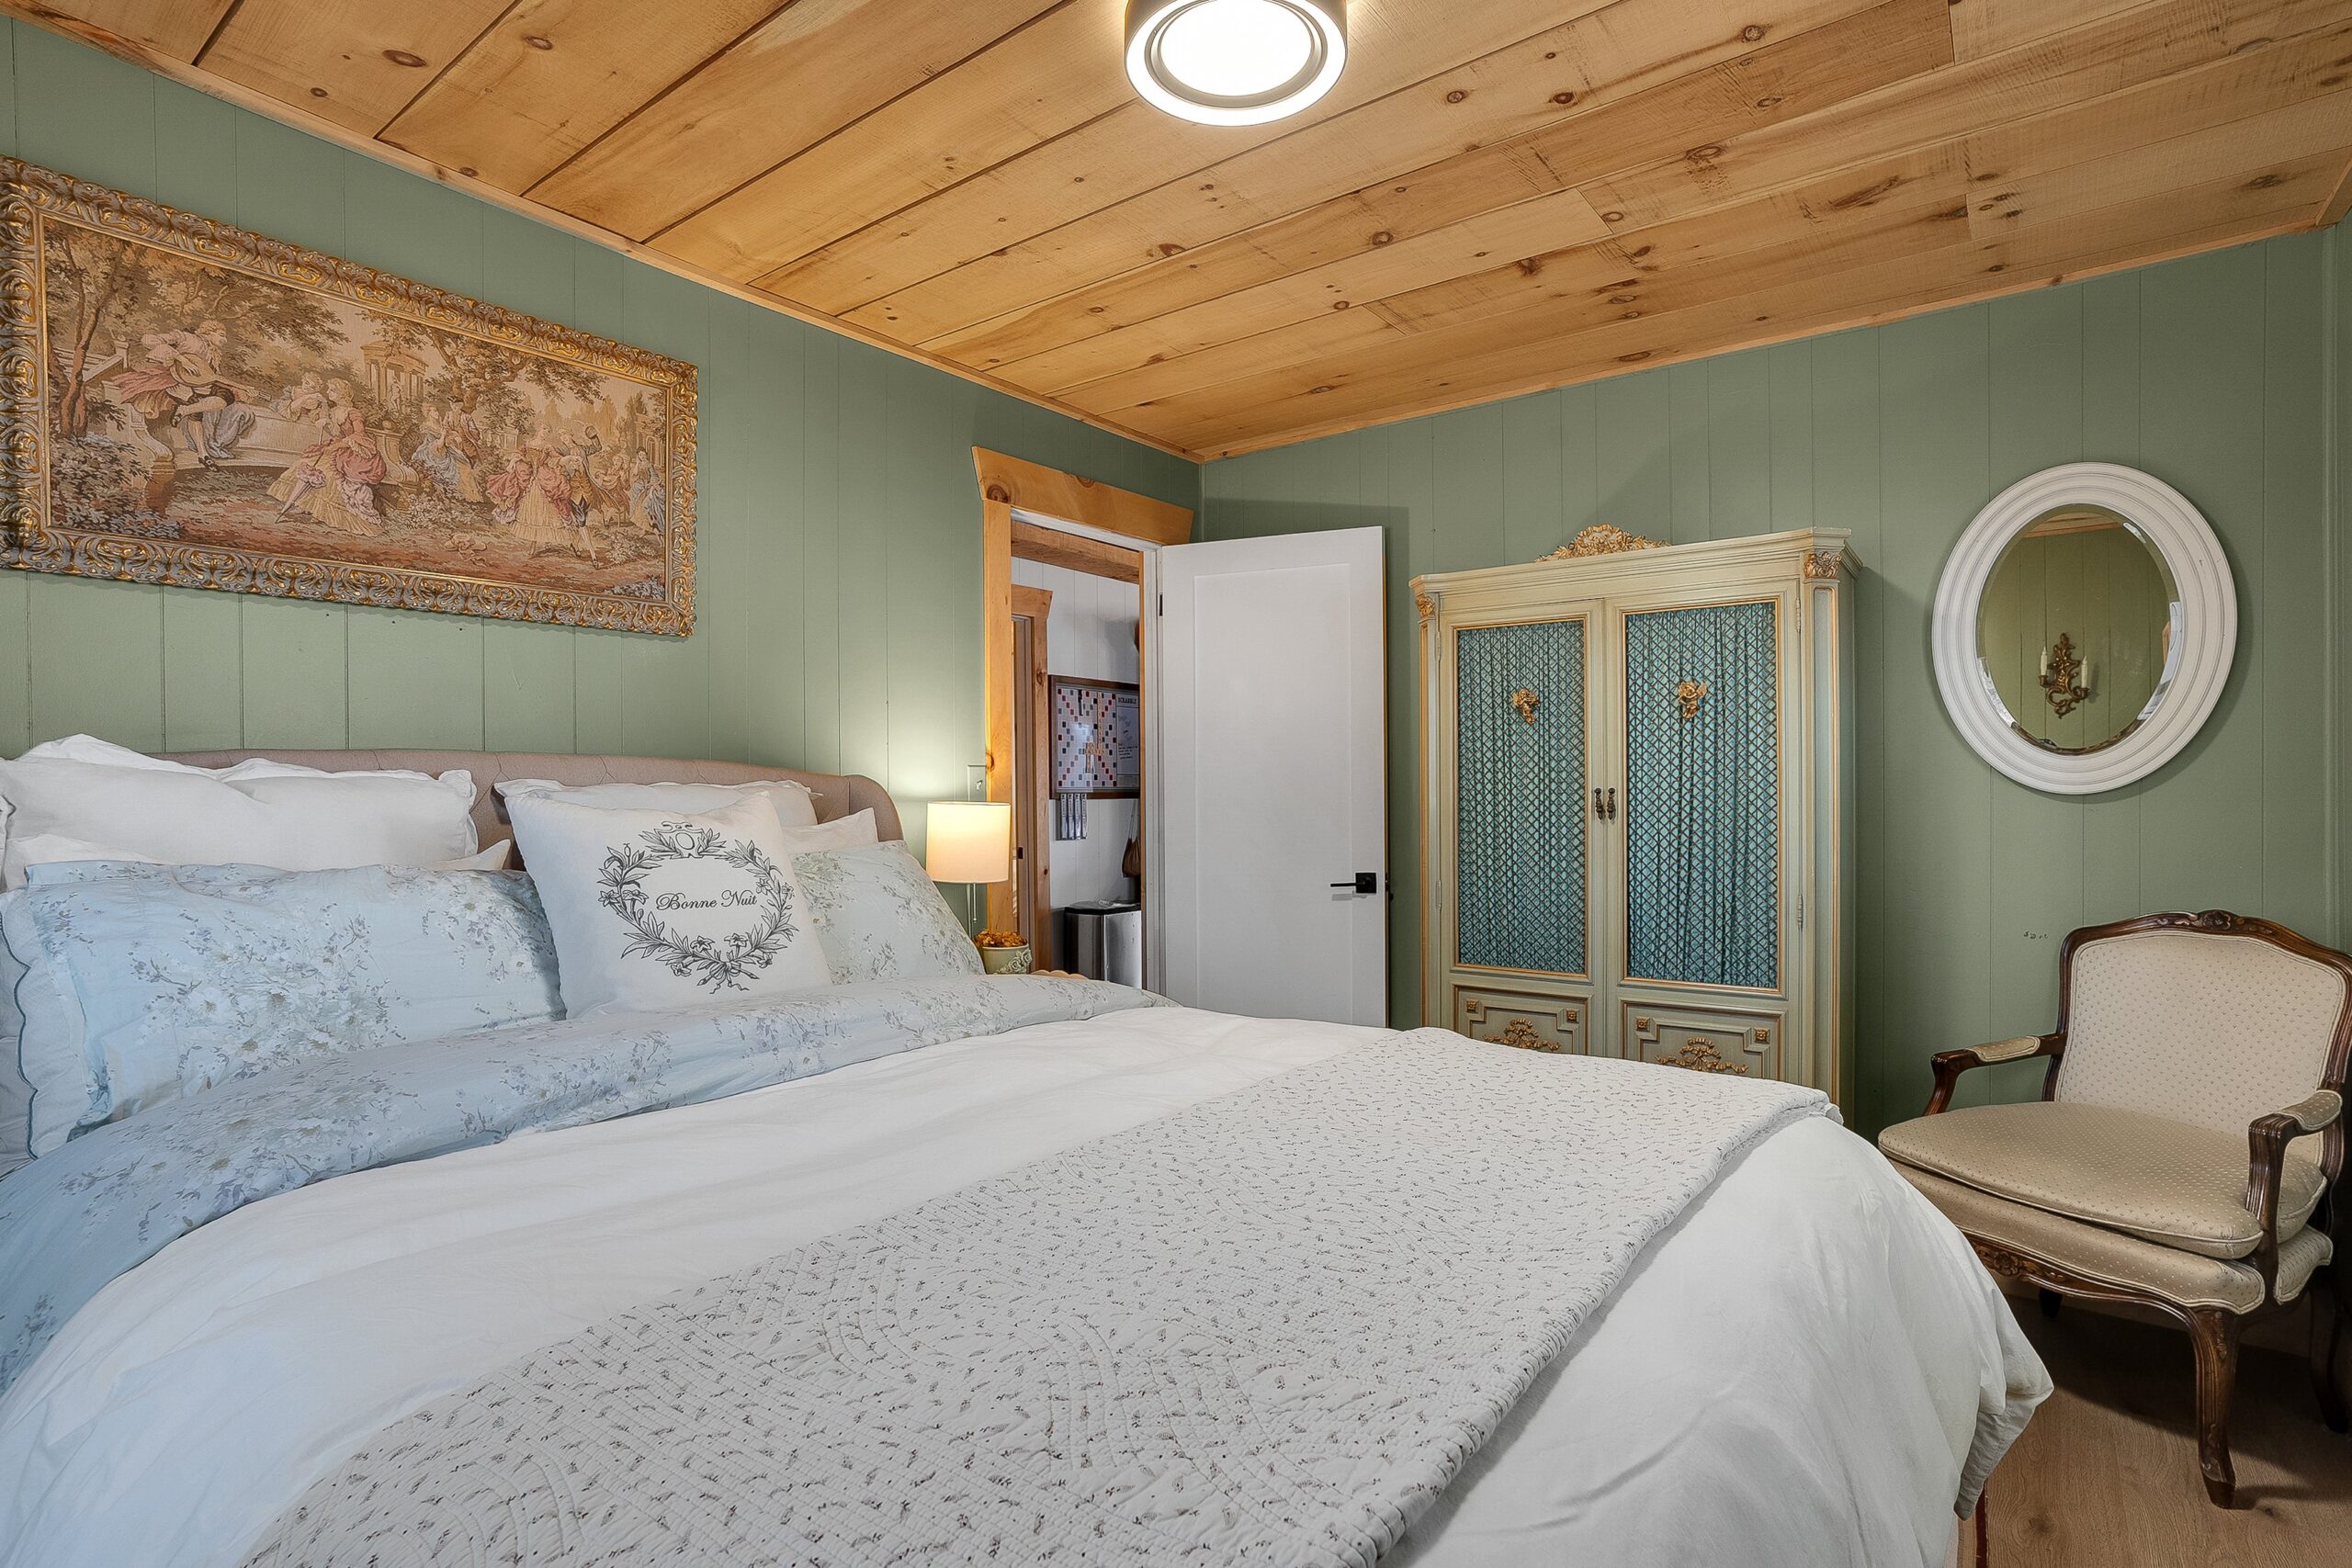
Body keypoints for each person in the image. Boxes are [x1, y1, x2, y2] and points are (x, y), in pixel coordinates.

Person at [264, 378, 386, 536]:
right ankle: (305, 504)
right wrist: (325, 422)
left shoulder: (354, 413)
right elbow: (336, 432)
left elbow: (359, 436)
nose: (328, 393)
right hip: (337, 448)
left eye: (332, 390)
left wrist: (336, 446)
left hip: (356, 453)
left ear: (341, 394)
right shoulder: (335, 411)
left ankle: (320, 511)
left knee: (327, 474)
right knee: (304, 464)